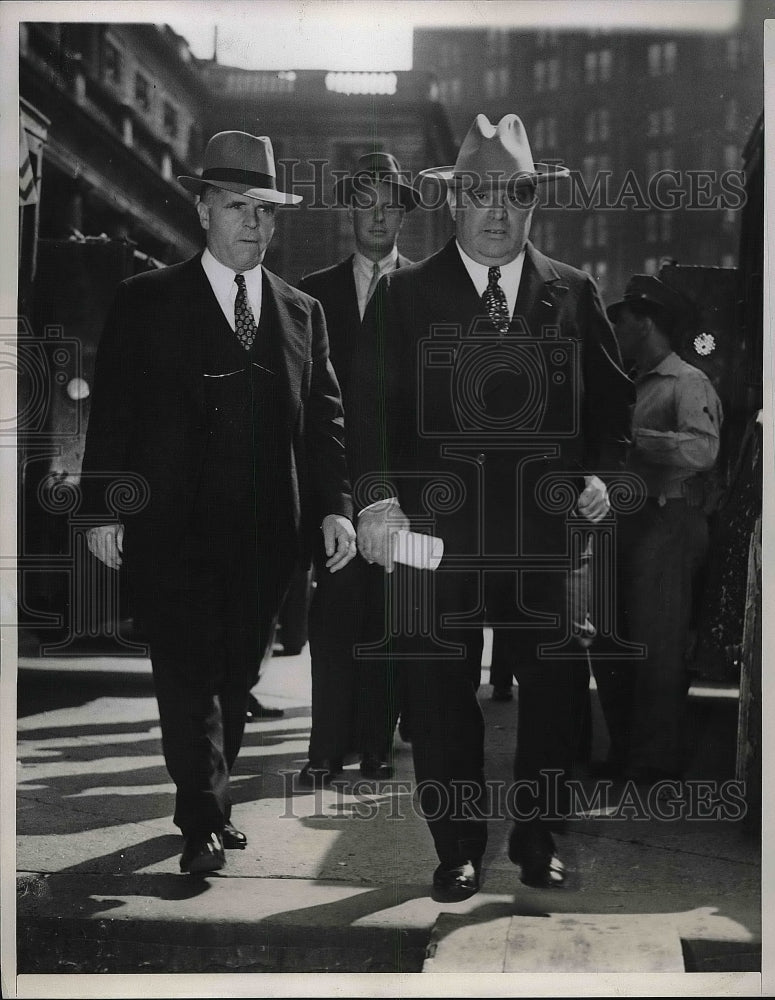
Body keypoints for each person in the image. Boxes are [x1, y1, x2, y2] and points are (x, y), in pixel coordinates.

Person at [353, 113, 634, 900]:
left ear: (533, 202)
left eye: (515, 195)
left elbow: (610, 405)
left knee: (556, 694)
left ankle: (537, 839)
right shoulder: (405, 295)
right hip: (435, 538)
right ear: (453, 202)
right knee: (438, 696)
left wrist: (599, 474)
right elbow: (368, 414)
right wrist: (378, 500)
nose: (497, 212)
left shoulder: (573, 291)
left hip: (544, 537)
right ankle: (456, 848)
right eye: (480, 194)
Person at [81, 131, 356, 874]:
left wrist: (335, 507)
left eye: (265, 211)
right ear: (203, 209)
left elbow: (325, 423)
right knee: (187, 672)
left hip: (268, 536)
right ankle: (200, 817)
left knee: (236, 676)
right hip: (172, 529)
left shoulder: (302, 313)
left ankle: (212, 799)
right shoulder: (147, 300)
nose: (253, 224)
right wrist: (102, 508)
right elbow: (113, 412)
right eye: (237, 206)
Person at [295, 152, 421, 786]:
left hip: (405, 490)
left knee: (392, 618)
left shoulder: (427, 290)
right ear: (349, 210)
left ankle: (376, 744)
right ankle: (325, 749)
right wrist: (326, 497)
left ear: (403, 215)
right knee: (336, 615)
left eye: (389, 205)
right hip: (338, 486)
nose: (377, 216)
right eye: (366, 202)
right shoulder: (311, 294)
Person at [595, 274, 723, 784]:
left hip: (668, 520)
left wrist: (638, 439)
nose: (615, 332)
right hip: (626, 522)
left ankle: (654, 759)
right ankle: (626, 751)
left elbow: (703, 449)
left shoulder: (687, 382)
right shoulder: (629, 380)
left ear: (646, 323)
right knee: (614, 642)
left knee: (658, 644)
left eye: (622, 322)